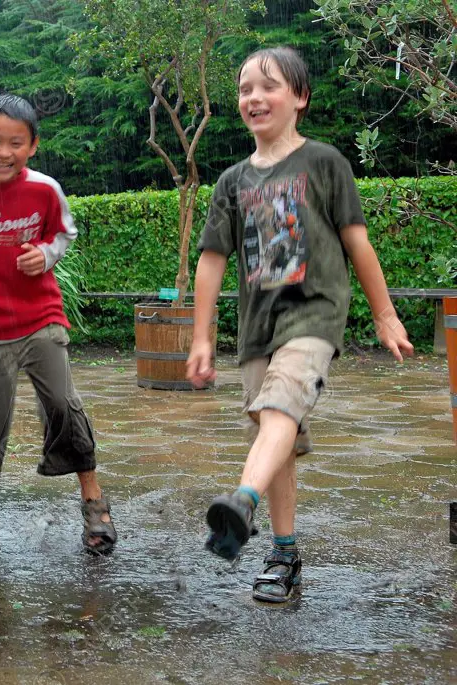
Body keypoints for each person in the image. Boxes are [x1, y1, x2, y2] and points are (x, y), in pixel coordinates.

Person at [186, 47, 414, 602]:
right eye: (244, 89)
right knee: (275, 435)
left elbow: (357, 240)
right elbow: (212, 261)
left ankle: (241, 502)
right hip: (257, 324)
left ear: (300, 98)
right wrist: (200, 336)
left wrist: (385, 316)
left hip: (315, 314)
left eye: (268, 87)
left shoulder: (324, 163)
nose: (254, 98)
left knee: (281, 404)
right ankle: (283, 554)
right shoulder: (232, 182)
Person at [0, 94, 118, 557]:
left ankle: (94, 502)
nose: (4, 151)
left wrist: (47, 254)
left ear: (32, 146)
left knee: (62, 402)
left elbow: (63, 233)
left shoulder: (44, 189)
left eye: (16, 142)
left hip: (39, 318)